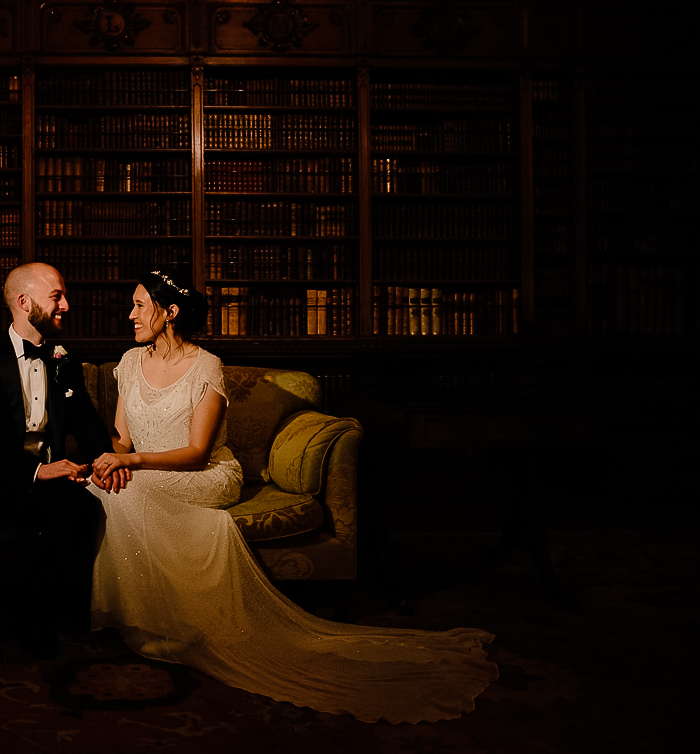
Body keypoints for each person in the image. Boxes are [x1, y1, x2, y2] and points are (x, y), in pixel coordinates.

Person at [87, 268, 499, 724]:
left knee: (127, 488)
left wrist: (133, 463)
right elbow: (123, 438)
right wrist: (111, 458)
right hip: (146, 470)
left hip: (205, 474)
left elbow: (197, 452)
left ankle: (178, 628)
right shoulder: (128, 362)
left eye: (140, 305)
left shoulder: (206, 366)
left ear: (171, 313)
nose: (131, 315)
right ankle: (150, 618)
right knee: (101, 486)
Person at [0, 262, 125, 665]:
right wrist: (35, 471)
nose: (66, 305)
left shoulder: (63, 358)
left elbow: (85, 419)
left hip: (42, 482)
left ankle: (35, 618)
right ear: (24, 301)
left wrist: (106, 460)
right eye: (57, 296)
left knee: (80, 507)